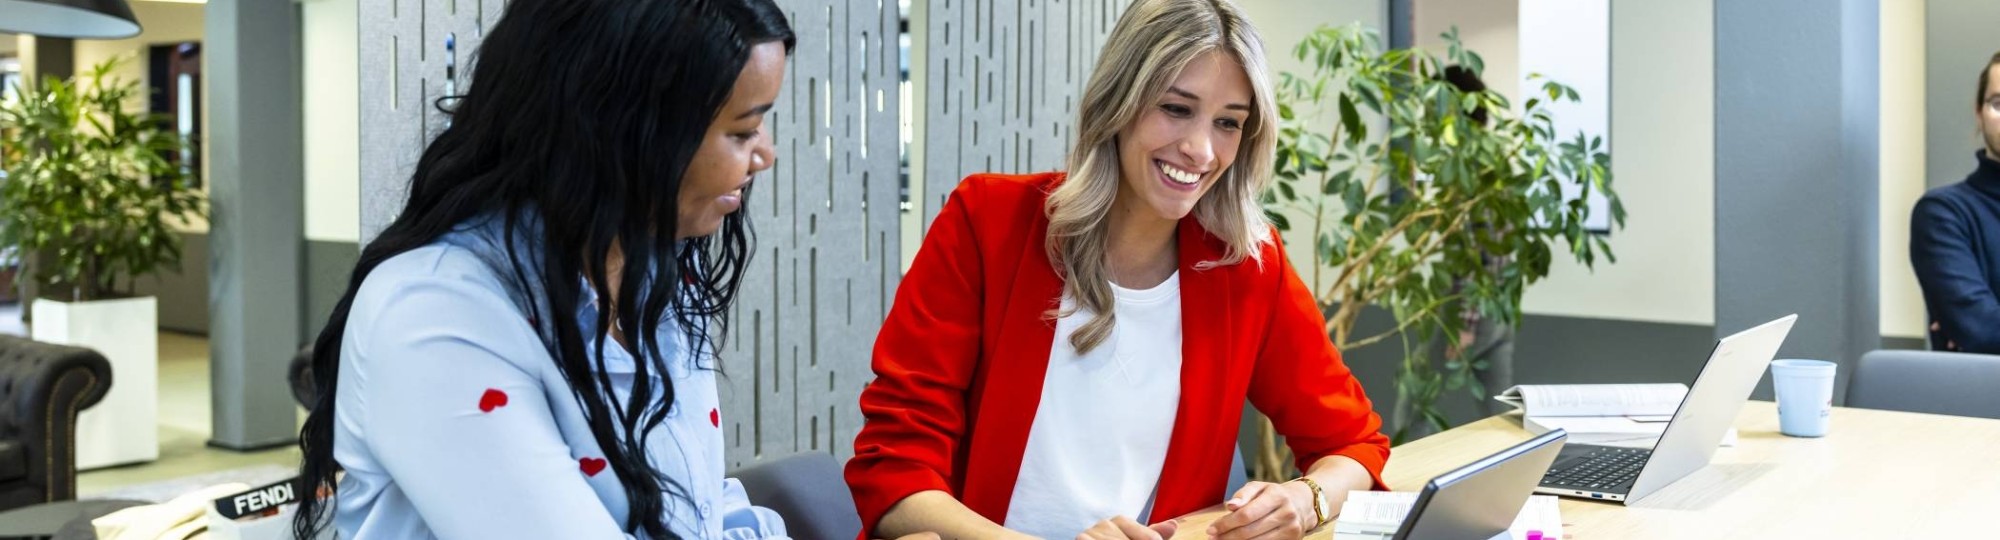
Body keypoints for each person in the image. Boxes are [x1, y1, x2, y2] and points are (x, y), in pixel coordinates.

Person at [844, 0, 1391, 539]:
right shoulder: (987, 223)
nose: (1201, 150)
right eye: (1176, 108)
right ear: (1118, 100)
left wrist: (1306, 498)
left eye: (1228, 122)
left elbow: (1355, 444)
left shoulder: (1246, 264)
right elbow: (894, 469)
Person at [291, 0, 800, 537]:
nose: (765, 154)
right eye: (743, 131)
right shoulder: (436, 313)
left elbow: (700, 508)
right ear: (622, 128)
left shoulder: (647, 272)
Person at [1912, 51, 2000, 355]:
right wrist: (1978, 329)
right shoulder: (1943, 213)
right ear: (1979, 113)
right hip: (1980, 399)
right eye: (1998, 104)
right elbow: (1982, 330)